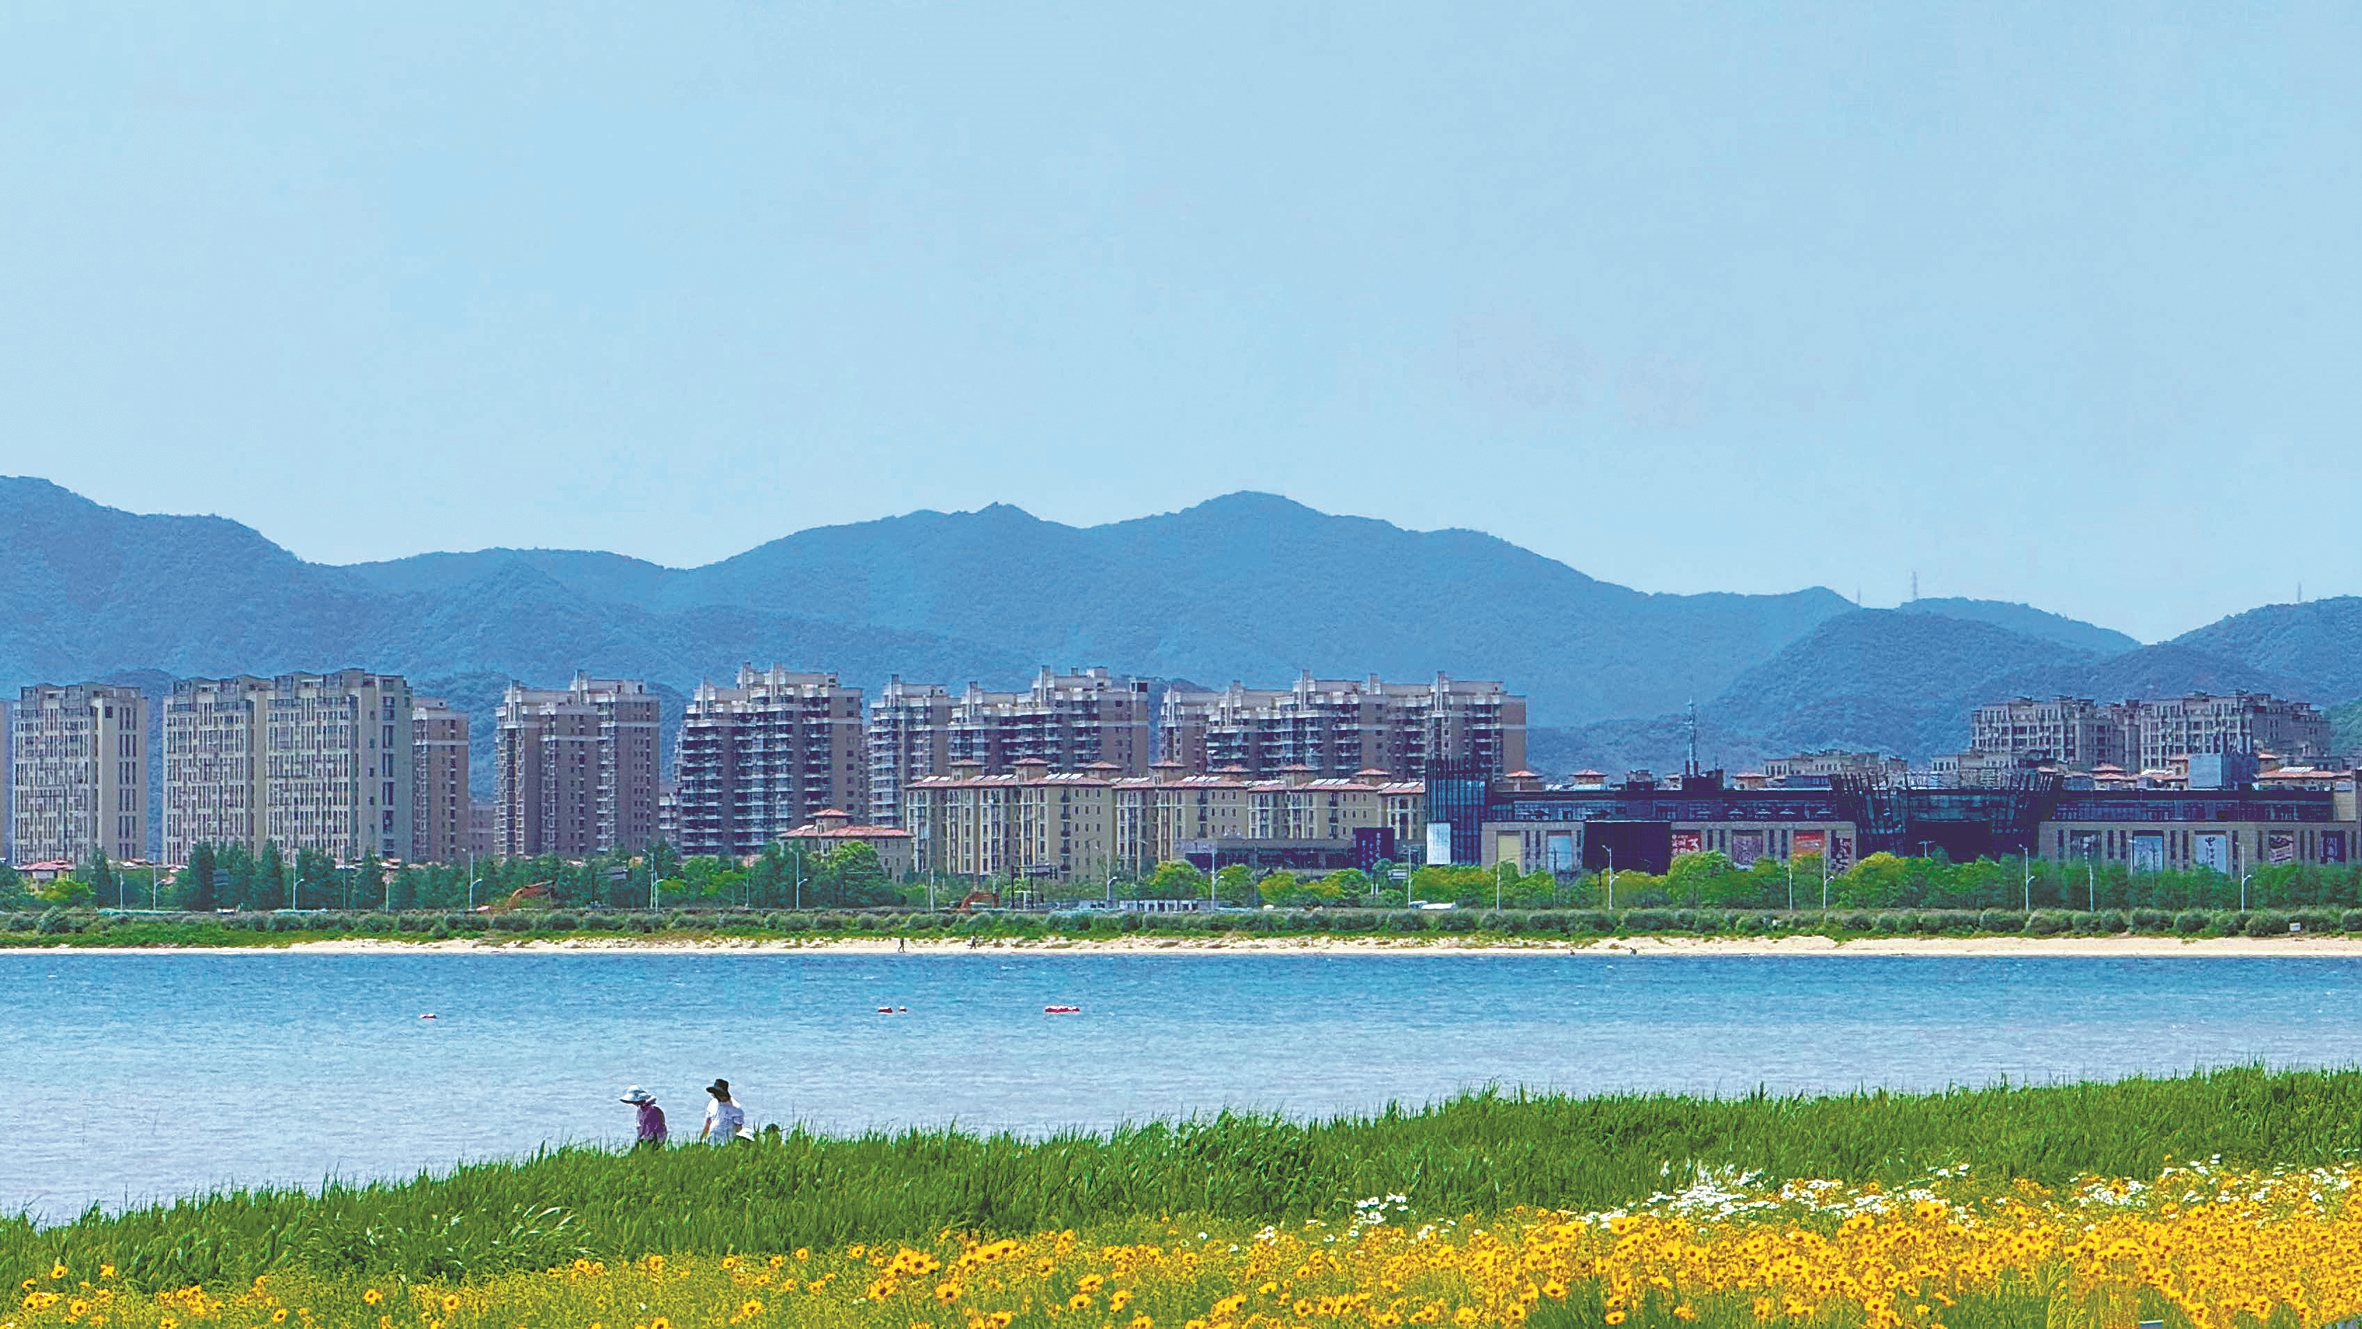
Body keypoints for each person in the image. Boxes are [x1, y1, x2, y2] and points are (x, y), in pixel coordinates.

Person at [702, 1078, 746, 1145]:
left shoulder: (736, 1108)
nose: (720, 1097)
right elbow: (708, 1123)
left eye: (721, 1094)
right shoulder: (712, 1103)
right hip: (712, 1139)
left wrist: (737, 1143)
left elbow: (738, 1129)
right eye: (717, 1094)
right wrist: (702, 1139)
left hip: (727, 1142)